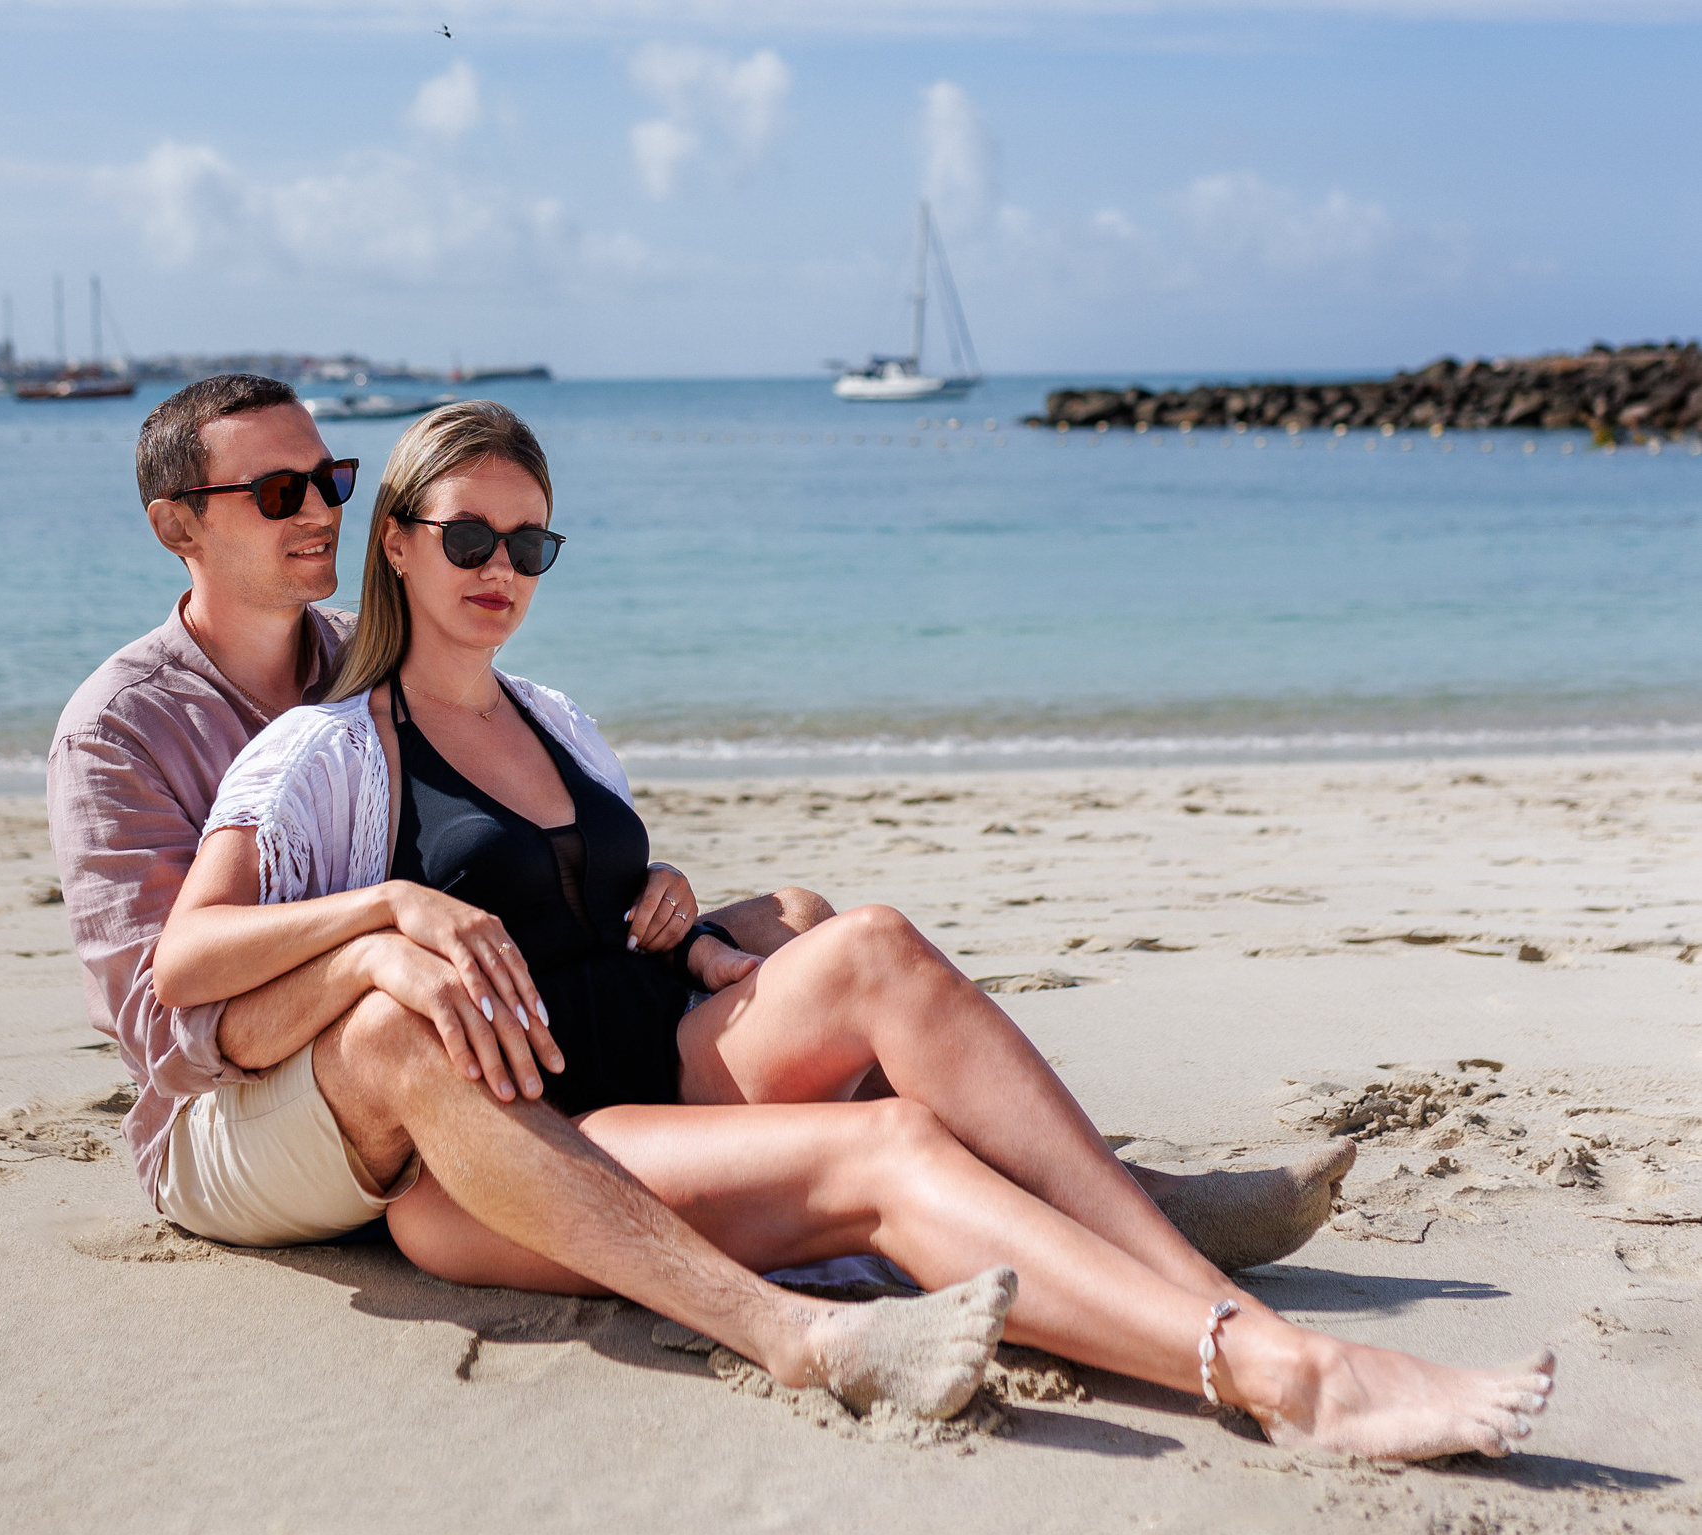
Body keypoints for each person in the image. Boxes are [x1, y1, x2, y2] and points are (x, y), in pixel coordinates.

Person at [147, 399, 1556, 1460]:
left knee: (867, 938)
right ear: (396, 540)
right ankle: (1279, 1376)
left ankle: (1187, 1274)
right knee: (889, 1146)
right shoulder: (326, 750)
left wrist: (682, 921)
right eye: (467, 537)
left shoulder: (556, 719)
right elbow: (185, 962)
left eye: (529, 542)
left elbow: (590, 906)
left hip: (658, 1053)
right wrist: (391, 905)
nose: (499, 566)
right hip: (531, 1138)